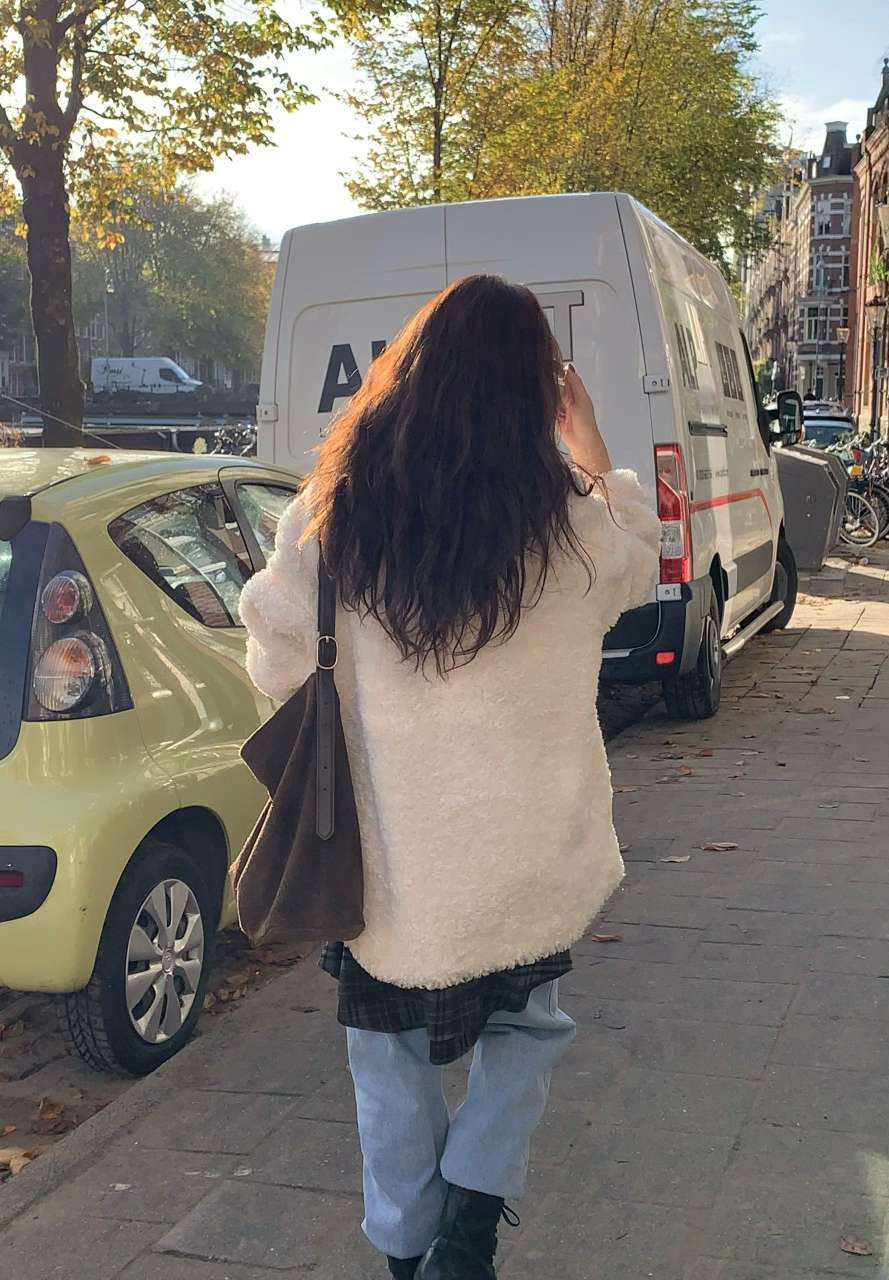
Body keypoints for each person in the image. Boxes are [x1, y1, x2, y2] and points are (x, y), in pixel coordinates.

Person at [239, 275, 661, 1280]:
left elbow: (274, 661)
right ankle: (469, 1224)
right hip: (530, 855)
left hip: (399, 865)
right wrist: (594, 450)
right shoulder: (567, 521)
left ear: (409, 370)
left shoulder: (336, 514)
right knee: (529, 1027)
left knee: (386, 1061)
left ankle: (409, 1253)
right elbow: (640, 566)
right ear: (537, 390)